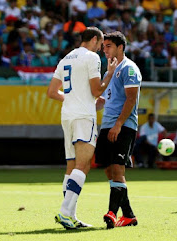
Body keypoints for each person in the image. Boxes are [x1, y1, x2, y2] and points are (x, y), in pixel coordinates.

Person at [47, 27, 117, 229]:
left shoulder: (66, 58)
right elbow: (97, 89)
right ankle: (64, 213)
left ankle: (71, 216)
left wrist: (75, 99)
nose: (101, 49)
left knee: (71, 167)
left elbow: (52, 92)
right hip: (84, 116)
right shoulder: (92, 58)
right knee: (83, 165)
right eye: (101, 44)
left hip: (67, 116)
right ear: (94, 40)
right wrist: (109, 74)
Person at [95, 31, 142, 229]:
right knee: (108, 170)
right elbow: (105, 99)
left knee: (117, 169)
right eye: (104, 46)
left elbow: (131, 99)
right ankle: (129, 215)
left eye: (108, 46)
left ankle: (112, 213)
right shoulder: (110, 70)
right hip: (107, 126)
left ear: (120, 47)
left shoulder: (129, 68)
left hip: (122, 126)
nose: (104, 50)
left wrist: (118, 124)